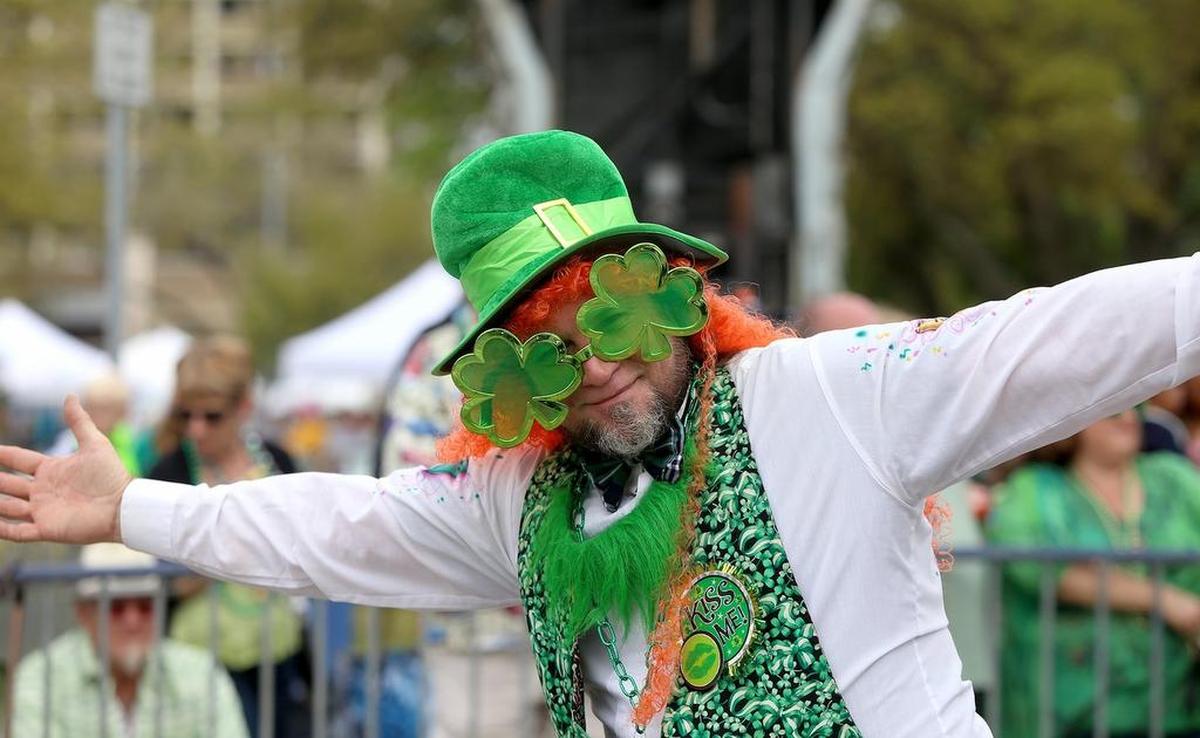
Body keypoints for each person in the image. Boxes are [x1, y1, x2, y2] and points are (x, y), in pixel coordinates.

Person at [4, 130, 1200, 738]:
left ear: (677, 290)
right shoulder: (517, 501)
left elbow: (1056, 334)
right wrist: (128, 509)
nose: (597, 361)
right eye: (545, 341)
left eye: (612, 308)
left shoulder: (831, 397)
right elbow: (340, 522)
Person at [987, 410, 1200, 738]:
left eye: (1134, 405)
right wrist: (1163, 600)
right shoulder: (1035, 489)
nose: (1127, 417)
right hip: (1073, 711)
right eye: (1111, 409)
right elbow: (1034, 569)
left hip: (1178, 707)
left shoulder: (1173, 477)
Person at [144, 336, 309, 738]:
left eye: (212, 416)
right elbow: (155, 580)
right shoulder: (167, 472)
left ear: (244, 407)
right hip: (199, 659)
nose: (196, 429)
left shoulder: (279, 459)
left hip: (280, 651)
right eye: (187, 415)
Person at [11, 543, 248, 738]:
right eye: (116, 606)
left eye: (145, 606)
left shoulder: (201, 674)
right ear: (84, 613)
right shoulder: (41, 677)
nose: (132, 621)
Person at [46, 373, 141, 476]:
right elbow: (52, 464)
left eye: (106, 410)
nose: (97, 415)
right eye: (92, 408)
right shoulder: (70, 441)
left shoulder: (128, 441)